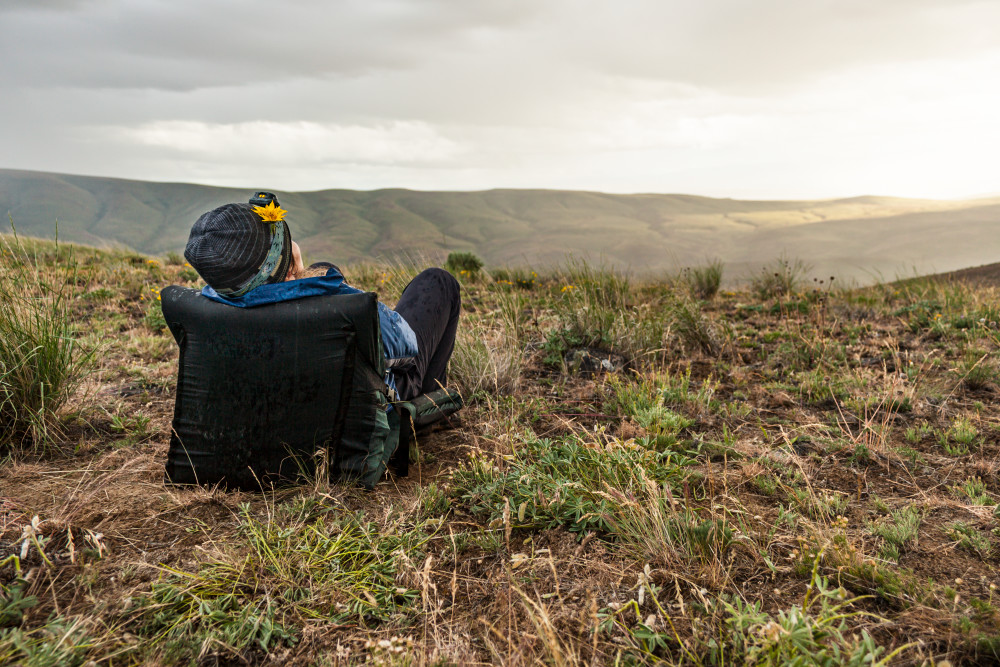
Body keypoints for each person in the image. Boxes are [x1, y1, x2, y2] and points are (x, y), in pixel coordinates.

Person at [183, 191, 460, 401]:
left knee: (327, 267)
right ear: (286, 262)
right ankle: (429, 410)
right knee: (438, 282)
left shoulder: (205, 309)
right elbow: (406, 347)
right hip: (358, 418)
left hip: (278, 418)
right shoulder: (338, 304)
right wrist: (311, 280)